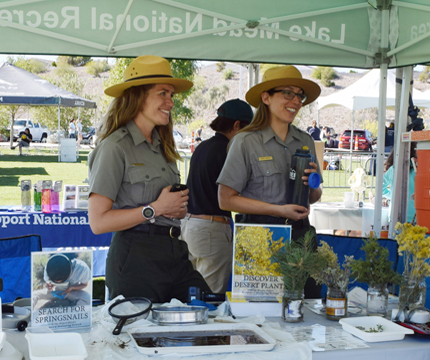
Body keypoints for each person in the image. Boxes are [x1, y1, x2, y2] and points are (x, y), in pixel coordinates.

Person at [87, 55, 210, 303]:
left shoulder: (163, 147)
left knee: (208, 311)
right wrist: (155, 209)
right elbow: (98, 222)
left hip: (175, 251)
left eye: (172, 95)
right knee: (138, 337)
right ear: (139, 95)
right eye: (163, 93)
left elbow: (164, 206)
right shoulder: (115, 147)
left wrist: (175, 209)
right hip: (135, 257)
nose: (171, 102)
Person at [217, 65, 323, 298]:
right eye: (288, 93)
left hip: (300, 236)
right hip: (258, 237)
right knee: (260, 315)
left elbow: (314, 197)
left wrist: (312, 184)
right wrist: (278, 210)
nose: (295, 101)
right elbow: (226, 200)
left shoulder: (304, 140)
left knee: (306, 310)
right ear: (266, 97)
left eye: (299, 95)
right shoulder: (246, 141)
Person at [181, 99, 253, 294]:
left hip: (189, 225)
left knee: (191, 293)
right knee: (210, 298)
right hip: (211, 229)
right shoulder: (229, 151)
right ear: (237, 125)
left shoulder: (203, 147)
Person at [377, 144, 416, 223]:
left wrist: (393, 196)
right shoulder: (418, 171)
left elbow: (380, 187)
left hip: (395, 216)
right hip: (415, 216)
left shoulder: (393, 169)